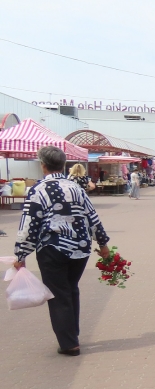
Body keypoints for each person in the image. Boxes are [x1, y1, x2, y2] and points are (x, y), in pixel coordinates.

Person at [13, 146, 110, 357]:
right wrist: (103, 244)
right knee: (71, 289)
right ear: (63, 165)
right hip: (80, 248)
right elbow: (92, 217)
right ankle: (72, 335)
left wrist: (21, 254)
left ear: (43, 165)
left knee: (58, 294)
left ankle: (69, 343)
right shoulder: (76, 188)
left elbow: (29, 223)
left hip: (53, 248)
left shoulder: (38, 190)